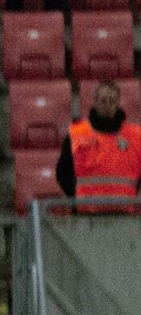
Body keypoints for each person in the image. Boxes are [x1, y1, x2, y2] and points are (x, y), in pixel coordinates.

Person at [56, 80, 141, 214]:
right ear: (95, 102)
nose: (107, 105)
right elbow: (62, 173)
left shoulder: (136, 136)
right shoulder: (77, 134)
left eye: (112, 101)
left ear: (118, 104)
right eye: (103, 100)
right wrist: (78, 199)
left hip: (124, 214)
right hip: (86, 214)